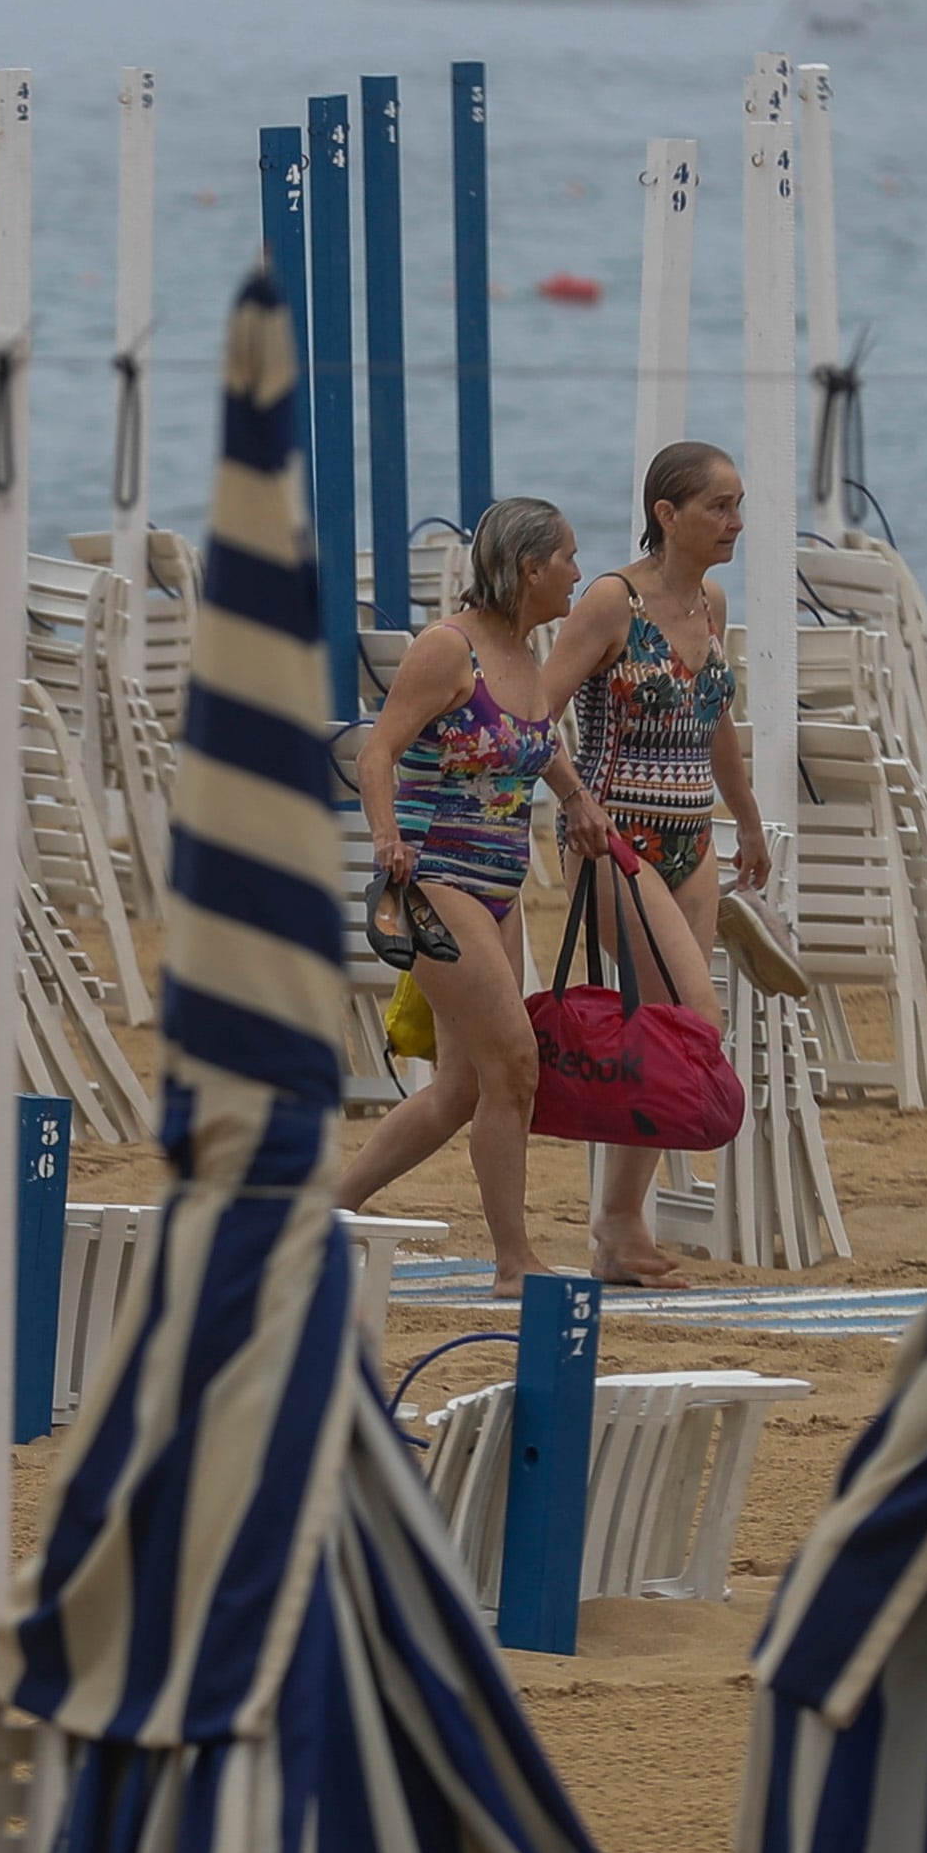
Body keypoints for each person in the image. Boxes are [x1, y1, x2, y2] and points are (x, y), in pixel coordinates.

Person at [332, 496, 701, 1295]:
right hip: (436, 881)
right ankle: (512, 1261)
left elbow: (535, 741)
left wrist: (574, 800)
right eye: (567, 559)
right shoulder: (447, 648)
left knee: (460, 1091)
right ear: (530, 569)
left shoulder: (523, 650)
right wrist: (386, 839)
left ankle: (321, 1211)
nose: (578, 571)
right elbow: (375, 754)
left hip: (498, 885)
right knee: (515, 1067)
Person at [562, 439, 805, 1286]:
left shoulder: (709, 600)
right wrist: (572, 802)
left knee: (673, 1030)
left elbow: (715, 722)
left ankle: (620, 1222)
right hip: (615, 838)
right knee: (689, 1014)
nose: (736, 521)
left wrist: (747, 820)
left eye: (739, 505)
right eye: (719, 506)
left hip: (690, 833)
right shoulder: (608, 603)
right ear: (667, 515)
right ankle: (616, 1223)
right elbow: (539, 712)